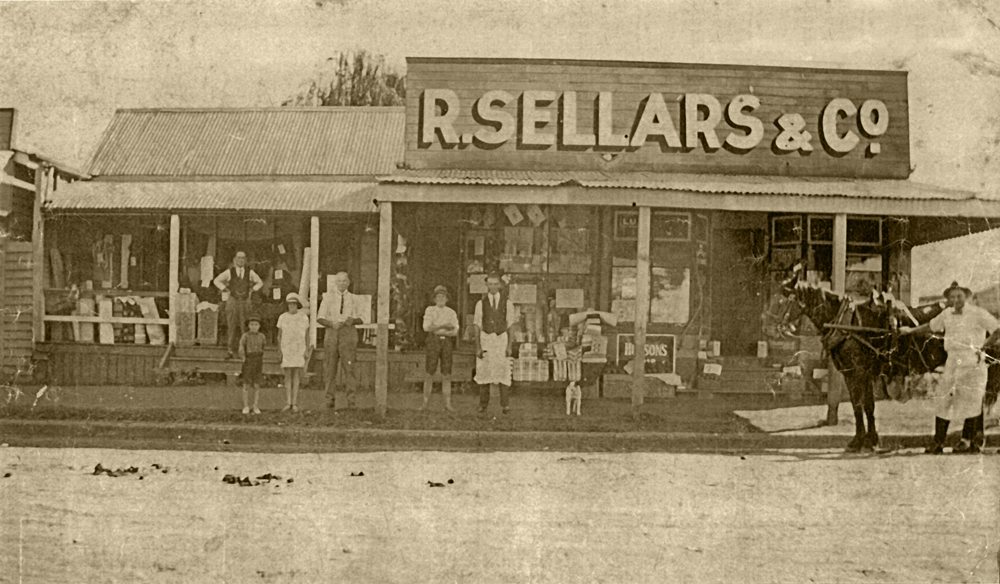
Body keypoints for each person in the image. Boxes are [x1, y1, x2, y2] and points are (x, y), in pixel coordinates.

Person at [901, 281, 1000, 454]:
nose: (955, 300)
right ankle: (937, 443)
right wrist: (910, 331)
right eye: (952, 297)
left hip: (972, 360)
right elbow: (930, 326)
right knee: (943, 399)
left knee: (972, 401)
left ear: (966, 296)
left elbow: (997, 330)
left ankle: (969, 442)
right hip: (953, 360)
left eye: (959, 296)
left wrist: (983, 347)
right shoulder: (946, 314)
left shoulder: (977, 313)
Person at [317, 272, 366, 409]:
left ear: (348, 282)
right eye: (339, 281)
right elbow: (320, 317)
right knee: (330, 368)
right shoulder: (328, 298)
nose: (342, 283)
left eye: (344, 281)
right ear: (335, 283)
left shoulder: (354, 299)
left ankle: (351, 400)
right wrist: (331, 323)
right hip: (332, 332)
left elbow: (363, 318)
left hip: (348, 333)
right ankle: (329, 399)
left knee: (349, 368)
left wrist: (353, 320)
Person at [472, 272, 519, 414]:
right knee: (484, 370)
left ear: (499, 285)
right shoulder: (480, 303)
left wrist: (509, 345)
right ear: (486, 285)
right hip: (486, 339)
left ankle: (505, 404)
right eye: (490, 284)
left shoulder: (507, 303)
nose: (492, 286)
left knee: (503, 370)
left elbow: (511, 325)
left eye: (495, 284)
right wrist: (478, 346)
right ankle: (483, 404)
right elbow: (477, 325)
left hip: (501, 339)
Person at [213, 251, 264, 360]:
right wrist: (224, 289)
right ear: (234, 260)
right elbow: (216, 280)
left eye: (243, 258)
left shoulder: (250, 272)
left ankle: (245, 351)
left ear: (245, 260)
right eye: (239, 258)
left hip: (245, 301)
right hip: (233, 301)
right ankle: (230, 350)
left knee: (244, 326)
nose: (241, 260)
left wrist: (252, 289)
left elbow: (260, 282)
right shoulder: (229, 272)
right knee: (231, 326)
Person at [422, 285, 459, 411]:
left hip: (446, 342)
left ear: (447, 299)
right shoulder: (430, 310)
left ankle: (448, 404)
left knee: (446, 373)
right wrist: (443, 326)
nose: (441, 299)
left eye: (443, 297)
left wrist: (437, 328)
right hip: (433, 341)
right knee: (429, 372)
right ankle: (425, 403)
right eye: (438, 297)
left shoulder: (451, 312)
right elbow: (426, 327)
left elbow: (454, 331)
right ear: (434, 299)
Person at [277, 293, 311, 413]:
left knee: (296, 375)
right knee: (288, 375)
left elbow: (306, 335)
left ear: (297, 305)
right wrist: (280, 351)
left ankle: (294, 402)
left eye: (294, 304)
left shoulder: (303, 317)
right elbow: (279, 336)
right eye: (290, 304)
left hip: (298, 348)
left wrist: (306, 349)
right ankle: (288, 402)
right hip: (287, 348)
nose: (292, 306)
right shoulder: (283, 317)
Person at [238, 314, 266, 415]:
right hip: (248, 360)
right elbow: (241, 347)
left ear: (259, 326)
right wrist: (243, 358)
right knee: (246, 384)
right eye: (252, 324)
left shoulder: (262, 336)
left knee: (256, 384)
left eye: (256, 324)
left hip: (258, 360)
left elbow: (263, 347)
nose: (254, 326)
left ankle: (255, 406)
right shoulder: (245, 336)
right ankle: (246, 406)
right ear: (249, 325)